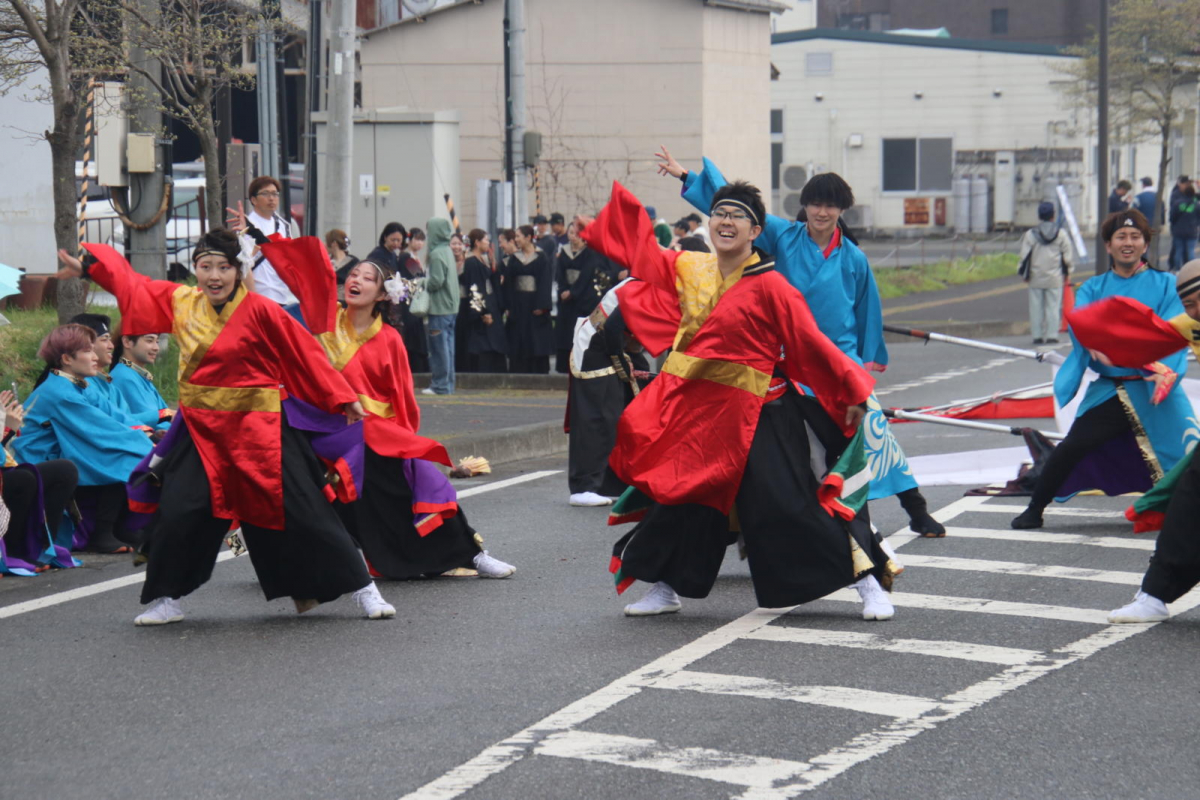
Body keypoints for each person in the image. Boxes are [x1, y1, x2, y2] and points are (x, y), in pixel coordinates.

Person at [578, 180, 894, 620]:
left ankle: (867, 581)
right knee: (683, 500)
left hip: (760, 412)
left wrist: (853, 389)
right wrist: (604, 229)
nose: (726, 222)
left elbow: (810, 343)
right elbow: (645, 255)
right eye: (720, 214)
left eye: (737, 217)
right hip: (701, 414)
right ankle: (666, 588)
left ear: (755, 231)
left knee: (790, 504)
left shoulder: (772, 286)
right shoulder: (691, 267)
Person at [56, 227, 396, 625]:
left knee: (306, 510)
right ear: (195, 270)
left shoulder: (261, 310)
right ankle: (167, 599)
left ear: (237, 270)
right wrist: (93, 268)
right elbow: (135, 286)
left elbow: (304, 353)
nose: (214, 276)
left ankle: (365, 590)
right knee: (181, 510)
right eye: (205, 267)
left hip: (261, 429)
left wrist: (341, 396)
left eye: (223, 267)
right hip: (202, 432)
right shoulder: (182, 301)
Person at [662, 148, 947, 537]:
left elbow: (868, 312)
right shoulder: (783, 235)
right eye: (815, 204)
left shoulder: (854, 258)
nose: (821, 212)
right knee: (792, 446)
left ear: (842, 210)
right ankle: (814, 524)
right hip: (789, 359)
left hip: (838, 360)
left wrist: (864, 365)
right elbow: (739, 211)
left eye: (830, 206)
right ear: (806, 206)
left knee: (873, 432)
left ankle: (916, 509)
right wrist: (686, 177)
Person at [238, 224, 517, 582]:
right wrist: (260, 237)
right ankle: (284, 563)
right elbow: (305, 272)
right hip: (321, 428)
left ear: (383, 294)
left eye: (367, 278)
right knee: (288, 481)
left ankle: (473, 554)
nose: (356, 280)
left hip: (372, 432)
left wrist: (405, 446)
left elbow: (402, 399)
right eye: (354, 274)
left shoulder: (389, 340)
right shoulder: (325, 320)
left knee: (419, 481)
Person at [1011, 210, 1195, 530]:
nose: (1128, 242)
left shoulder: (1167, 285)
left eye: (1135, 236)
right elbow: (1082, 322)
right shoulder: (1094, 288)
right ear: (1108, 245)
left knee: (1188, 454)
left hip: (1155, 387)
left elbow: (1174, 332)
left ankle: (1186, 514)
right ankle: (1035, 508)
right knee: (1072, 447)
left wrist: (1161, 369)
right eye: (1121, 237)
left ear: (1145, 244)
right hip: (1112, 388)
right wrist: (1091, 340)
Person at [1073, 260, 1200, 622]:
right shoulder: (1191, 325)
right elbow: (1147, 339)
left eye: (1199, 302)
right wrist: (1106, 341)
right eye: (1188, 305)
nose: (1195, 311)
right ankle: (1154, 595)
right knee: (1186, 509)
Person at [12, 324, 153, 554]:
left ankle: (122, 527)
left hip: (62, 451)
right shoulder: (60, 391)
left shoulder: (78, 384)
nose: (95, 356)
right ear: (67, 359)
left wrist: (149, 434)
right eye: (88, 351)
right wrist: (148, 444)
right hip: (37, 461)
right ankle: (104, 532)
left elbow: (116, 417)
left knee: (131, 451)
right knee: (121, 457)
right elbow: (100, 429)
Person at [566, 279, 649, 506]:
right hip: (596, 346)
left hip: (618, 344)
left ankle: (612, 484)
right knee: (599, 417)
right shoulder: (642, 286)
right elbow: (612, 326)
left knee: (625, 413)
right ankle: (583, 486)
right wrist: (623, 363)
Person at [2, 388, 80, 572]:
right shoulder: (58, 390)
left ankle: (41, 547)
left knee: (64, 470)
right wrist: (6, 429)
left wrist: (8, 429)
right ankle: (13, 552)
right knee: (23, 478)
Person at [370, 223, 429, 374]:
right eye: (393, 240)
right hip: (389, 305)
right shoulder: (401, 256)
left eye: (399, 240)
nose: (396, 243)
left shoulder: (399, 256)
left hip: (398, 303)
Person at [1019, 201, 1074, 345]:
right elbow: (1067, 256)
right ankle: (1052, 335)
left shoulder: (1031, 234)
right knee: (1053, 307)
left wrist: (1024, 274)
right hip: (1055, 276)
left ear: (1039, 215)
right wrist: (1068, 272)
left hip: (1035, 276)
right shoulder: (1061, 234)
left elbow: (1024, 256)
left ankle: (1037, 335)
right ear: (1053, 215)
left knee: (1036, 307)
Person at [240, 175, 299, 305]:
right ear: (254, 200)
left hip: (282, 295)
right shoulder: (246, 225)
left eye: (274, 194)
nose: (271, 198)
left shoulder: (283, 226)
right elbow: (243, 263)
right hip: (258, 294)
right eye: (265, 194)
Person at [505, 225, 554, 374]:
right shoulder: (514, 259)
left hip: (534, 303)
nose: (516, 239)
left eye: (519, 236)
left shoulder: (541, 257)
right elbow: (509, 283)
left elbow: (545, 282)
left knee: (535, 338)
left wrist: (542, 305)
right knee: (518, 335)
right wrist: (508, 305)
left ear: (528, 237)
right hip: (518, 303)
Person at [458, 229, 507, 373]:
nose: (488, 243)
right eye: (485, 240)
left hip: (491, 302)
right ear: (477, 242)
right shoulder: (471, 262)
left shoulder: (483, 259)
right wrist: (483, 312)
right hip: (482, 308)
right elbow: (475, 288)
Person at [420, 218, 460, 396]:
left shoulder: (436, 253)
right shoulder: (447, 251)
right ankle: (448, 385)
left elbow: (436, 281)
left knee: (438, 349)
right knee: (448, 349)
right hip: (451, 307)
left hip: (439, 308)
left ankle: (440, 386)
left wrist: (420, 282)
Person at [110, 330, 174, 430]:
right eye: (149, 341)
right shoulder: (124, 377)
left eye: (157, 342)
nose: (156, 348)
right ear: (127, 342)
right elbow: (156, 421)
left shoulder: (136, 373)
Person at [1168, 181, 1198, 273]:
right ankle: (1191, 271)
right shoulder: (1196, 205)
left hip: (1179, 230)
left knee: (1178, 251)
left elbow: (1172, 217)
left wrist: (1174, 226)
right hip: (1192, 230)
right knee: (1190, 251)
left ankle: (1177, 270)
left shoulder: (1177, 203)